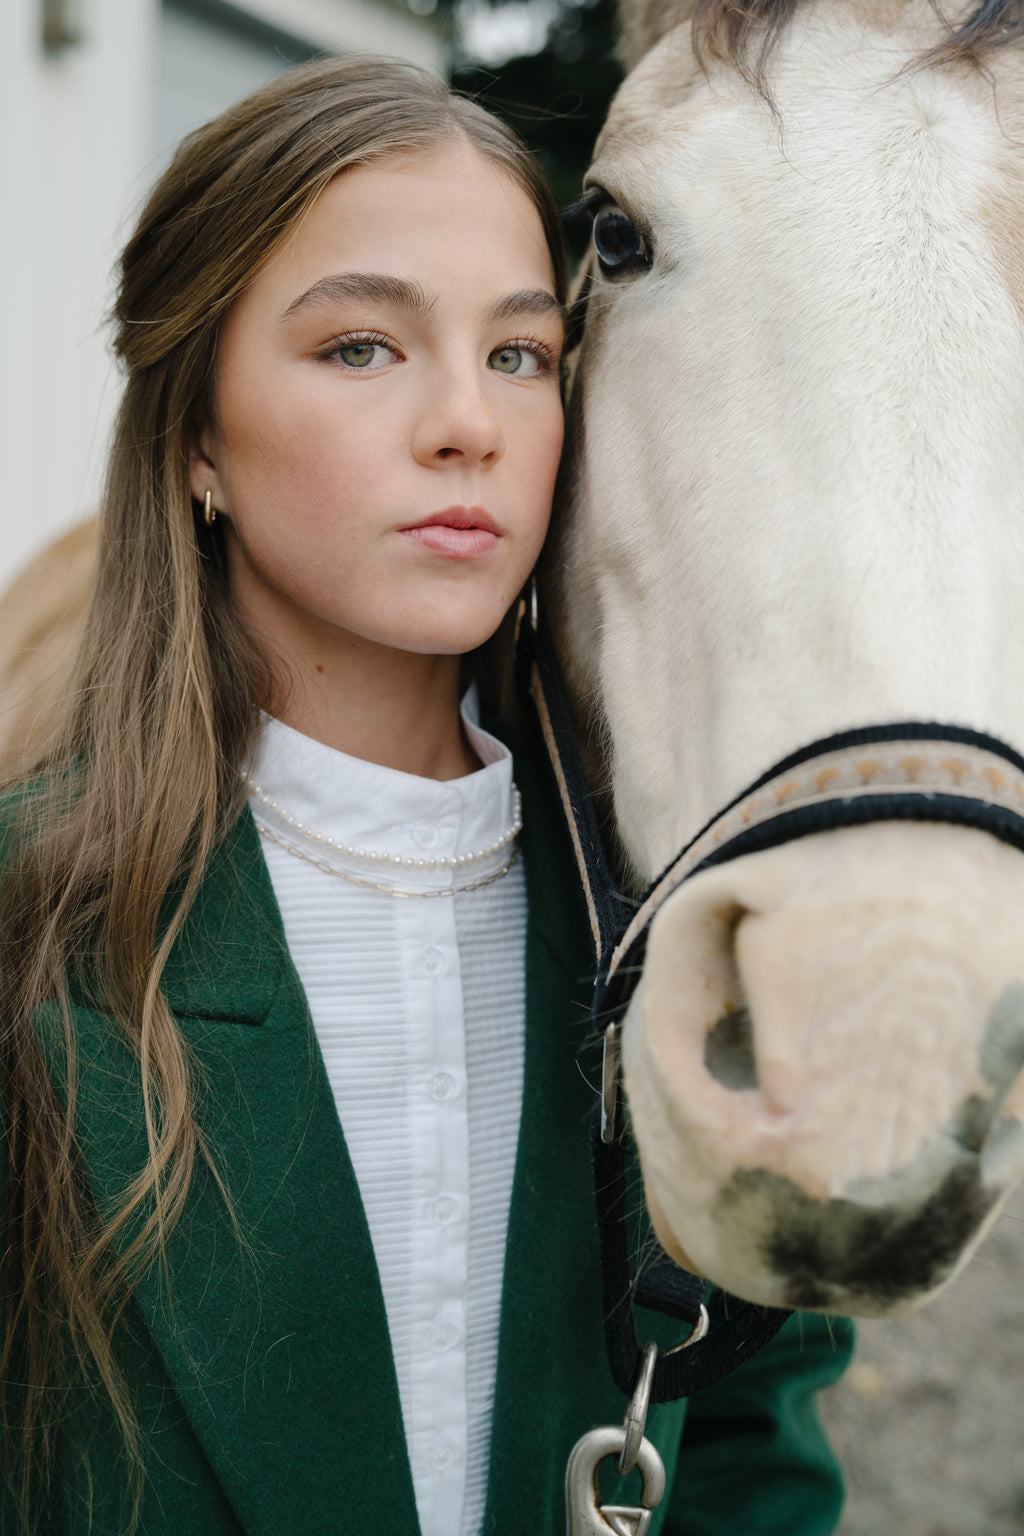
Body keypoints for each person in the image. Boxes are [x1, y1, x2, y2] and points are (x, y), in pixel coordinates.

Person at [0, 55, 852, 1536]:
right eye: (361, 349)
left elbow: (750, 1447)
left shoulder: (687, 939)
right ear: (197, 437)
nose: (469, 422)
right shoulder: (30, 930)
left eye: (520, 355)